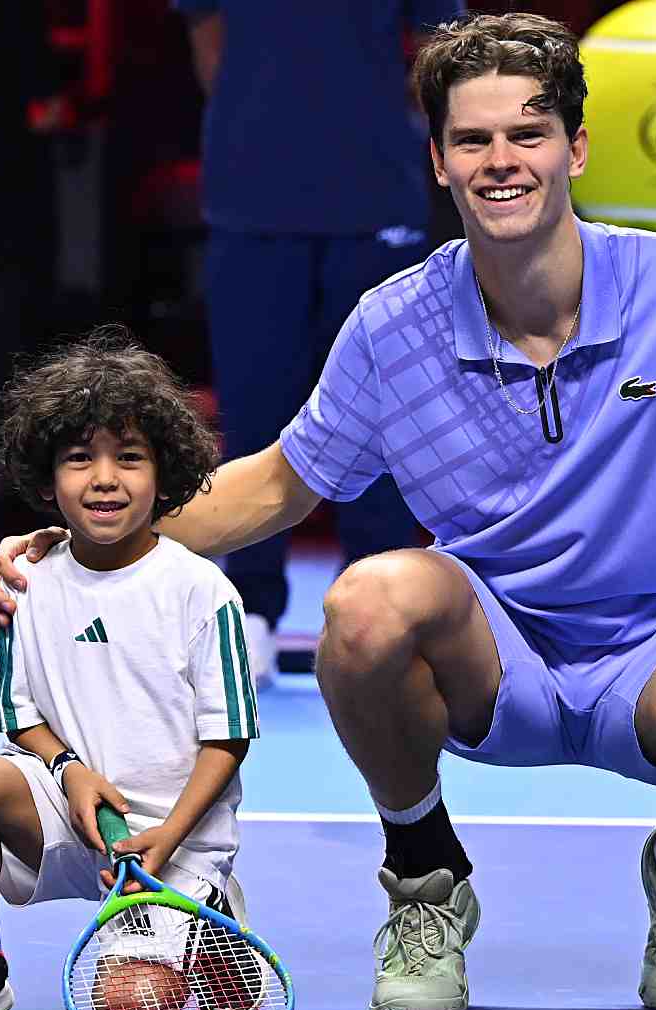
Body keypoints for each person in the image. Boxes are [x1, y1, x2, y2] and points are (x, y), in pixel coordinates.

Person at [0, 13, 656, 1010]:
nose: (502, 161)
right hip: (492, 648)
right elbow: (279, 485)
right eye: (472, 141)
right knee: (366, 601)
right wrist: (81, 546)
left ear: (575, 149)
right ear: (440, 164)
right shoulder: (394, 325)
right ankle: (423, 876)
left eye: (528, 134)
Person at [0, 327, 261, 1010]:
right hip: (68, 814)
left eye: (129, 458)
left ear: (166, 473)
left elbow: (228, 741)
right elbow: (19, 715)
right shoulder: (24, 583)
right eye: (79, 459)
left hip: (172, 840)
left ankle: (211, 920)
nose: (105, 477)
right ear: (48, 477)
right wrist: (67, 768)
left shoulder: (202, 592)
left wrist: (169, 841)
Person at [174, 0, 464, 686]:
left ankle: (379, 606)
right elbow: (210, 51)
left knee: (387, 414)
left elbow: (438, 55)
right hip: (251, 199)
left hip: (375, 196)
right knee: (255, 406)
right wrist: (277, 130)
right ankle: (250, 614)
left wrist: (363, 129)